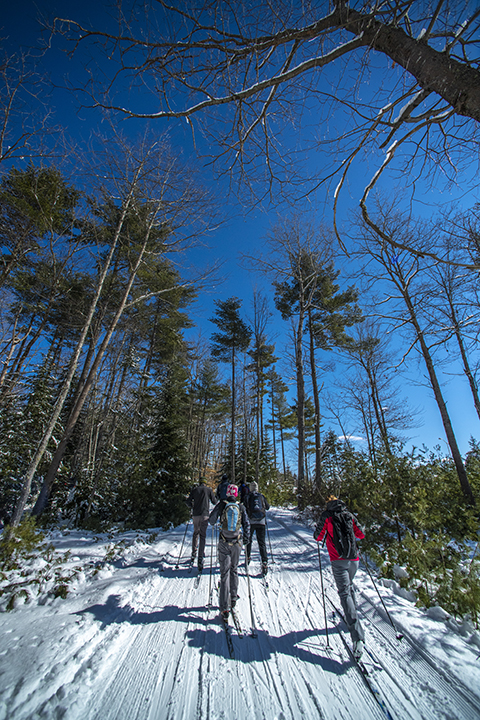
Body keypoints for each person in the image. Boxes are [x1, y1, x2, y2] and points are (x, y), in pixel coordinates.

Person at [314, 495, 366, 659]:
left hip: (338, 560)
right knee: (349, 587)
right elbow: (361, 535)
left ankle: (356, 636)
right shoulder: (349, 514)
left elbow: (318, 536)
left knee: (344, 593)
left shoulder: (327, 516)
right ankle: (353, 617)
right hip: (354, 559)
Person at [209, 483, 250, 621]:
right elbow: (247, 524)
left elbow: (211, 520)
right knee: (234, 569)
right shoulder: (241, 506)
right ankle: (233, 598)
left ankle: (224, 607)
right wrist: (246, 540)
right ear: (236, 494)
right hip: (237, 542)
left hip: (224, 542)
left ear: (227, 493)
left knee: (224, 573)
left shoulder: (222, 505)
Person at [186, 477, 216, 572]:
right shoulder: (208, 490)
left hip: (196, 515)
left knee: (196, 533)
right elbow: (214, 501)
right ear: (205, 483)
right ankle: (200, 557)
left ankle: (194, 552)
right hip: (205, 515)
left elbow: (188, 501)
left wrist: (192, 506)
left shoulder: (195, 490)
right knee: (202, 535)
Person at [245, 481, 270, 576]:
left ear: (251, 488)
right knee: (262, 543)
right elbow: (267, 507)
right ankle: (264, 562)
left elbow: (244, 507)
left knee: (249, 540)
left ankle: (248, 557)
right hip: (261, 522)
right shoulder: (261, 496)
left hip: (251, 522)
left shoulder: (248, 496)